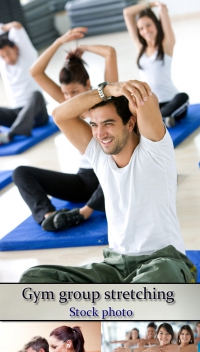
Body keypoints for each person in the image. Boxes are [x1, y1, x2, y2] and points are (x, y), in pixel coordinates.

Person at [19, 77, 197, 283]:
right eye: (94, 125)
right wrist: (108, 90)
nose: (100, 133)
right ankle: (120, 309)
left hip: (164, 263)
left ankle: (118, 306)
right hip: (116, 267)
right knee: (33, 279)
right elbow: (59, 115)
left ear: (131, 123)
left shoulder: (155, 150)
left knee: (149, 285)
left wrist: (120, 89)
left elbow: (147, 99)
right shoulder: (98, 154)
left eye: (108, 123)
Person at [13, 27, 118, 232]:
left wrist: (81, 47)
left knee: (119, 170)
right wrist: (59, 42)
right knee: (21, 172)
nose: (70, 98)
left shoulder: (105, 99)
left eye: (75, 92)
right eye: (65, 93)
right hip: (83, 179)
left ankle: (84, 212)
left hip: (108, 176)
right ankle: (49, 216)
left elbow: (110, 52)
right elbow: (35, 71)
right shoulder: (68, 106)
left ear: (88, 84)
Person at [123, 2, 189, 127]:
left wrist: (160, 8)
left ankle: (159, 118)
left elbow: (163, 11)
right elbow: (127, 13)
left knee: (183, 97)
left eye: (148, 25)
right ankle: (162, 119)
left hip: (171, 101)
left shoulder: (166, 45)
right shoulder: (140, 47)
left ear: (156, 25)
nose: (145, 30)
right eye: (141, 28)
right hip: (151, 104)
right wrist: (150, 4)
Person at [0, 21, 48, 144]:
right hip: (17, 114)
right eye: (3, 56)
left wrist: (4, 27)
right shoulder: (3, 65)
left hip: (38, 115)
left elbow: (17, 26)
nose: (7, 59)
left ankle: (11, 135)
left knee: (36, 95)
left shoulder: (28, 56)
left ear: (15, 49)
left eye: (9, 53)